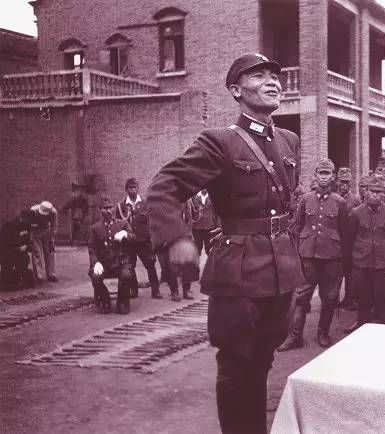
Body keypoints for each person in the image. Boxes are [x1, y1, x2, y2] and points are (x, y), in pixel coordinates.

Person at [147, 53, 303, 434]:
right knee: (236, 366)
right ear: (236, 90)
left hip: (280, 272)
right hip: (239, 274)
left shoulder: (289, 141)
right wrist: (177, 238)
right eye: (259, 76)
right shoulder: (220, 142)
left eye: (274, 76)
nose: (272, 81)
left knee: (262, 361)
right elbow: (165, 187)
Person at [278, 158, 348, 351]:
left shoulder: (340, 202)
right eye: (321, 173)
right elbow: (297, 227)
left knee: (329, 297)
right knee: (301, 297)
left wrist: (342, 262)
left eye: (327, 173)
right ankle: (295, 336)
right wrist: (297, 253)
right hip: (308, 257)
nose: (324, 177)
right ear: (315, 176)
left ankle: (323, 332)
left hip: (331, 258)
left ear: (333, 177)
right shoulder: (306, 199)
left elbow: (345, 233)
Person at [344, 174, 385, 333]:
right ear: (365, 191)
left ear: (384, 193)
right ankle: (362, 327)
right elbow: (350, 239)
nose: (375, 195)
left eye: (379, 191)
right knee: (363, 300)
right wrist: (350, 264)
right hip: (362, 264)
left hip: (383, 264)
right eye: (372, 191)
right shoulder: (356, 213)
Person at [88, 196, 135, 314]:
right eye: (105, 208)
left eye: (110, 207)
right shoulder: (95, 228)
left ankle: (122, 301)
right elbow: (92, 248)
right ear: (100, 210)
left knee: (126, 275)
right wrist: (96, 262)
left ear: (114, 208)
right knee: (95, 277)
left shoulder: (123, 224)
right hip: (104, 263)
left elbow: (134, 238)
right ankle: (105, 299)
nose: (108, 211)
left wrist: (125, 234)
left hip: (121, 263)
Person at [116, 178, 161, 299]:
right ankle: (133, 290)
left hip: (144, 240)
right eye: (130, 188)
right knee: (130, 265)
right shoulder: (121, 206)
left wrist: (152, 237)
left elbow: (152, 221)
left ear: (138, 188)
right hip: (129, 241)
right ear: (126, 190)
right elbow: (118, 223)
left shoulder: (145, 204)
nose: (133, 190)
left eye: (134, 187)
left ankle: (156, 290)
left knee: (150, 264)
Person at [336, 167, 361, 311]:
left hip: (350, 241)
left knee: (349, 272)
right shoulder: (333, 197)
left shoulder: (355, 200)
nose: (344, 185)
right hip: (335, 240)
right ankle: (332, 300)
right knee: (335, 272)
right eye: (342, 181)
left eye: (347, 182)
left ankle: (349, 299)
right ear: (337, 182)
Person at [29, 200, 58, 283]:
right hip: (35, 231)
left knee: (50, 252)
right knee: (37, 252)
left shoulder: (53, 212)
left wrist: (52, 239)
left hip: (46, 231)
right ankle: (39, 276)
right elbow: (29, 224)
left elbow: (54, 225)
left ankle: (51, 274)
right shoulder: (33, 210)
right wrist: (30, 237)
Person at [185, 189, 219, 256]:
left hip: (210, 228)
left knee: (211, 250)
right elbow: (188, 213)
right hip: (196, 229)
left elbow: (218, 212)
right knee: (196, 250)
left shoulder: (213, 197)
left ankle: (210, 262)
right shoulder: (193, 197)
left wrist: (218, 225)